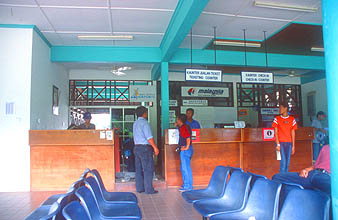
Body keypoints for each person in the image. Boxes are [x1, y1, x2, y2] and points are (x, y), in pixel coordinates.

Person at [133, 106, 159, 194]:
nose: (147, 114)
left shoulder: (135, 123)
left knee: (139, 169)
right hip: (144, 148)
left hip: (137, 147)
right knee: (148, 168)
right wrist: (155, 147)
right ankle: (149, 189)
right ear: (144, 113)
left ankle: (140, 188)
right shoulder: (145, 123)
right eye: (147, 112)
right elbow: (149, 138)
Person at [272, 102, 297, 172]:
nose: (279, 110)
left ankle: (285, 178)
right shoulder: (277, 119)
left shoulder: (292, 119)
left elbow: (293, 132)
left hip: (289, 143)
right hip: (280, 144)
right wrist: (278, 144)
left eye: (281, 108)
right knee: (283, 163)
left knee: (287, 163)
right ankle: (281, 180)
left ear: (286, 108)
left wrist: (293, 146)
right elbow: (276, 133)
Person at [175, 114, 194, 192]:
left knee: (185, 168)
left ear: (180, 120)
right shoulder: (186, 126)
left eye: (177, 119)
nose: (176, 121)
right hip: (188, 149)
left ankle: (188, 186)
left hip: (185, 150)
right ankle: (187, 184)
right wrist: (177, 126)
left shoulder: (183, 128)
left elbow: (187, 138)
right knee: (186, 168)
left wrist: (186, 147)